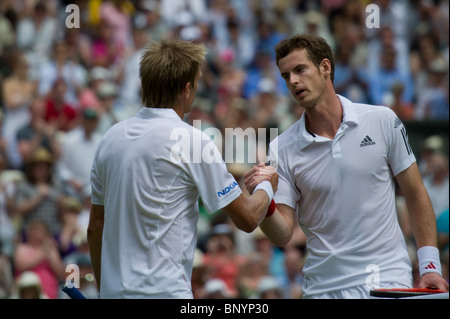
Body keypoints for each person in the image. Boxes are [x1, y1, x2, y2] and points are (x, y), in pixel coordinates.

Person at [244, 34, 448, 299]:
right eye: (285, 76)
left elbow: (415, 192)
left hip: (386, 279)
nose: (292, 81)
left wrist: (430, 265)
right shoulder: (281, 148)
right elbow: (282, 235)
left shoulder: (382, 119)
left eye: (300, 70)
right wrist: (266, 201)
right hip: (323, 289)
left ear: (325, 67)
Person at [87, 38, 278, 299]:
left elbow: (95, 228)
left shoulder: (109, 139)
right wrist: (267, 184)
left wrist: (103, 291)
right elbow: (247, 218)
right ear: (186, 89)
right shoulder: (194, 140)